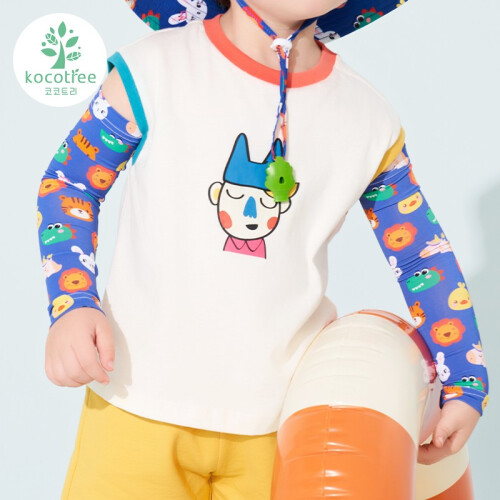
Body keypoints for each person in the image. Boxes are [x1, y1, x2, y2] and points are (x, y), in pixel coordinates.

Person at [36, 0, 489, 498]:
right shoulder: (151, 69)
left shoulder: (367, 118)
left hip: (277, 428)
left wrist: (465, 379)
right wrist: (72, 302)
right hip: (133, 402)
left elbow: (422, 252)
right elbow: (70, 184)